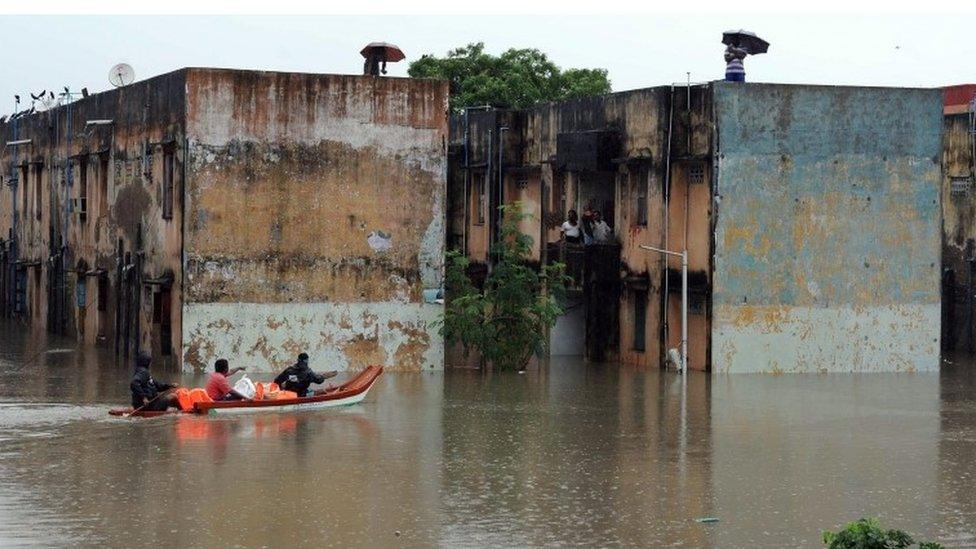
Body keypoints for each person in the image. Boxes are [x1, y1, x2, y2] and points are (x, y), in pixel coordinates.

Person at [273, 353, 338, 397]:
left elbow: (276, 381)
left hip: (289, 394)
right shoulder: (308, 372)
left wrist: (282, 388)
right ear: (306, 361)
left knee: (309, 389)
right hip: (301, 395)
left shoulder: (289, 370)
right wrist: (326, 376)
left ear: (298, 360)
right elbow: (319, 380)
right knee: (321, 392)